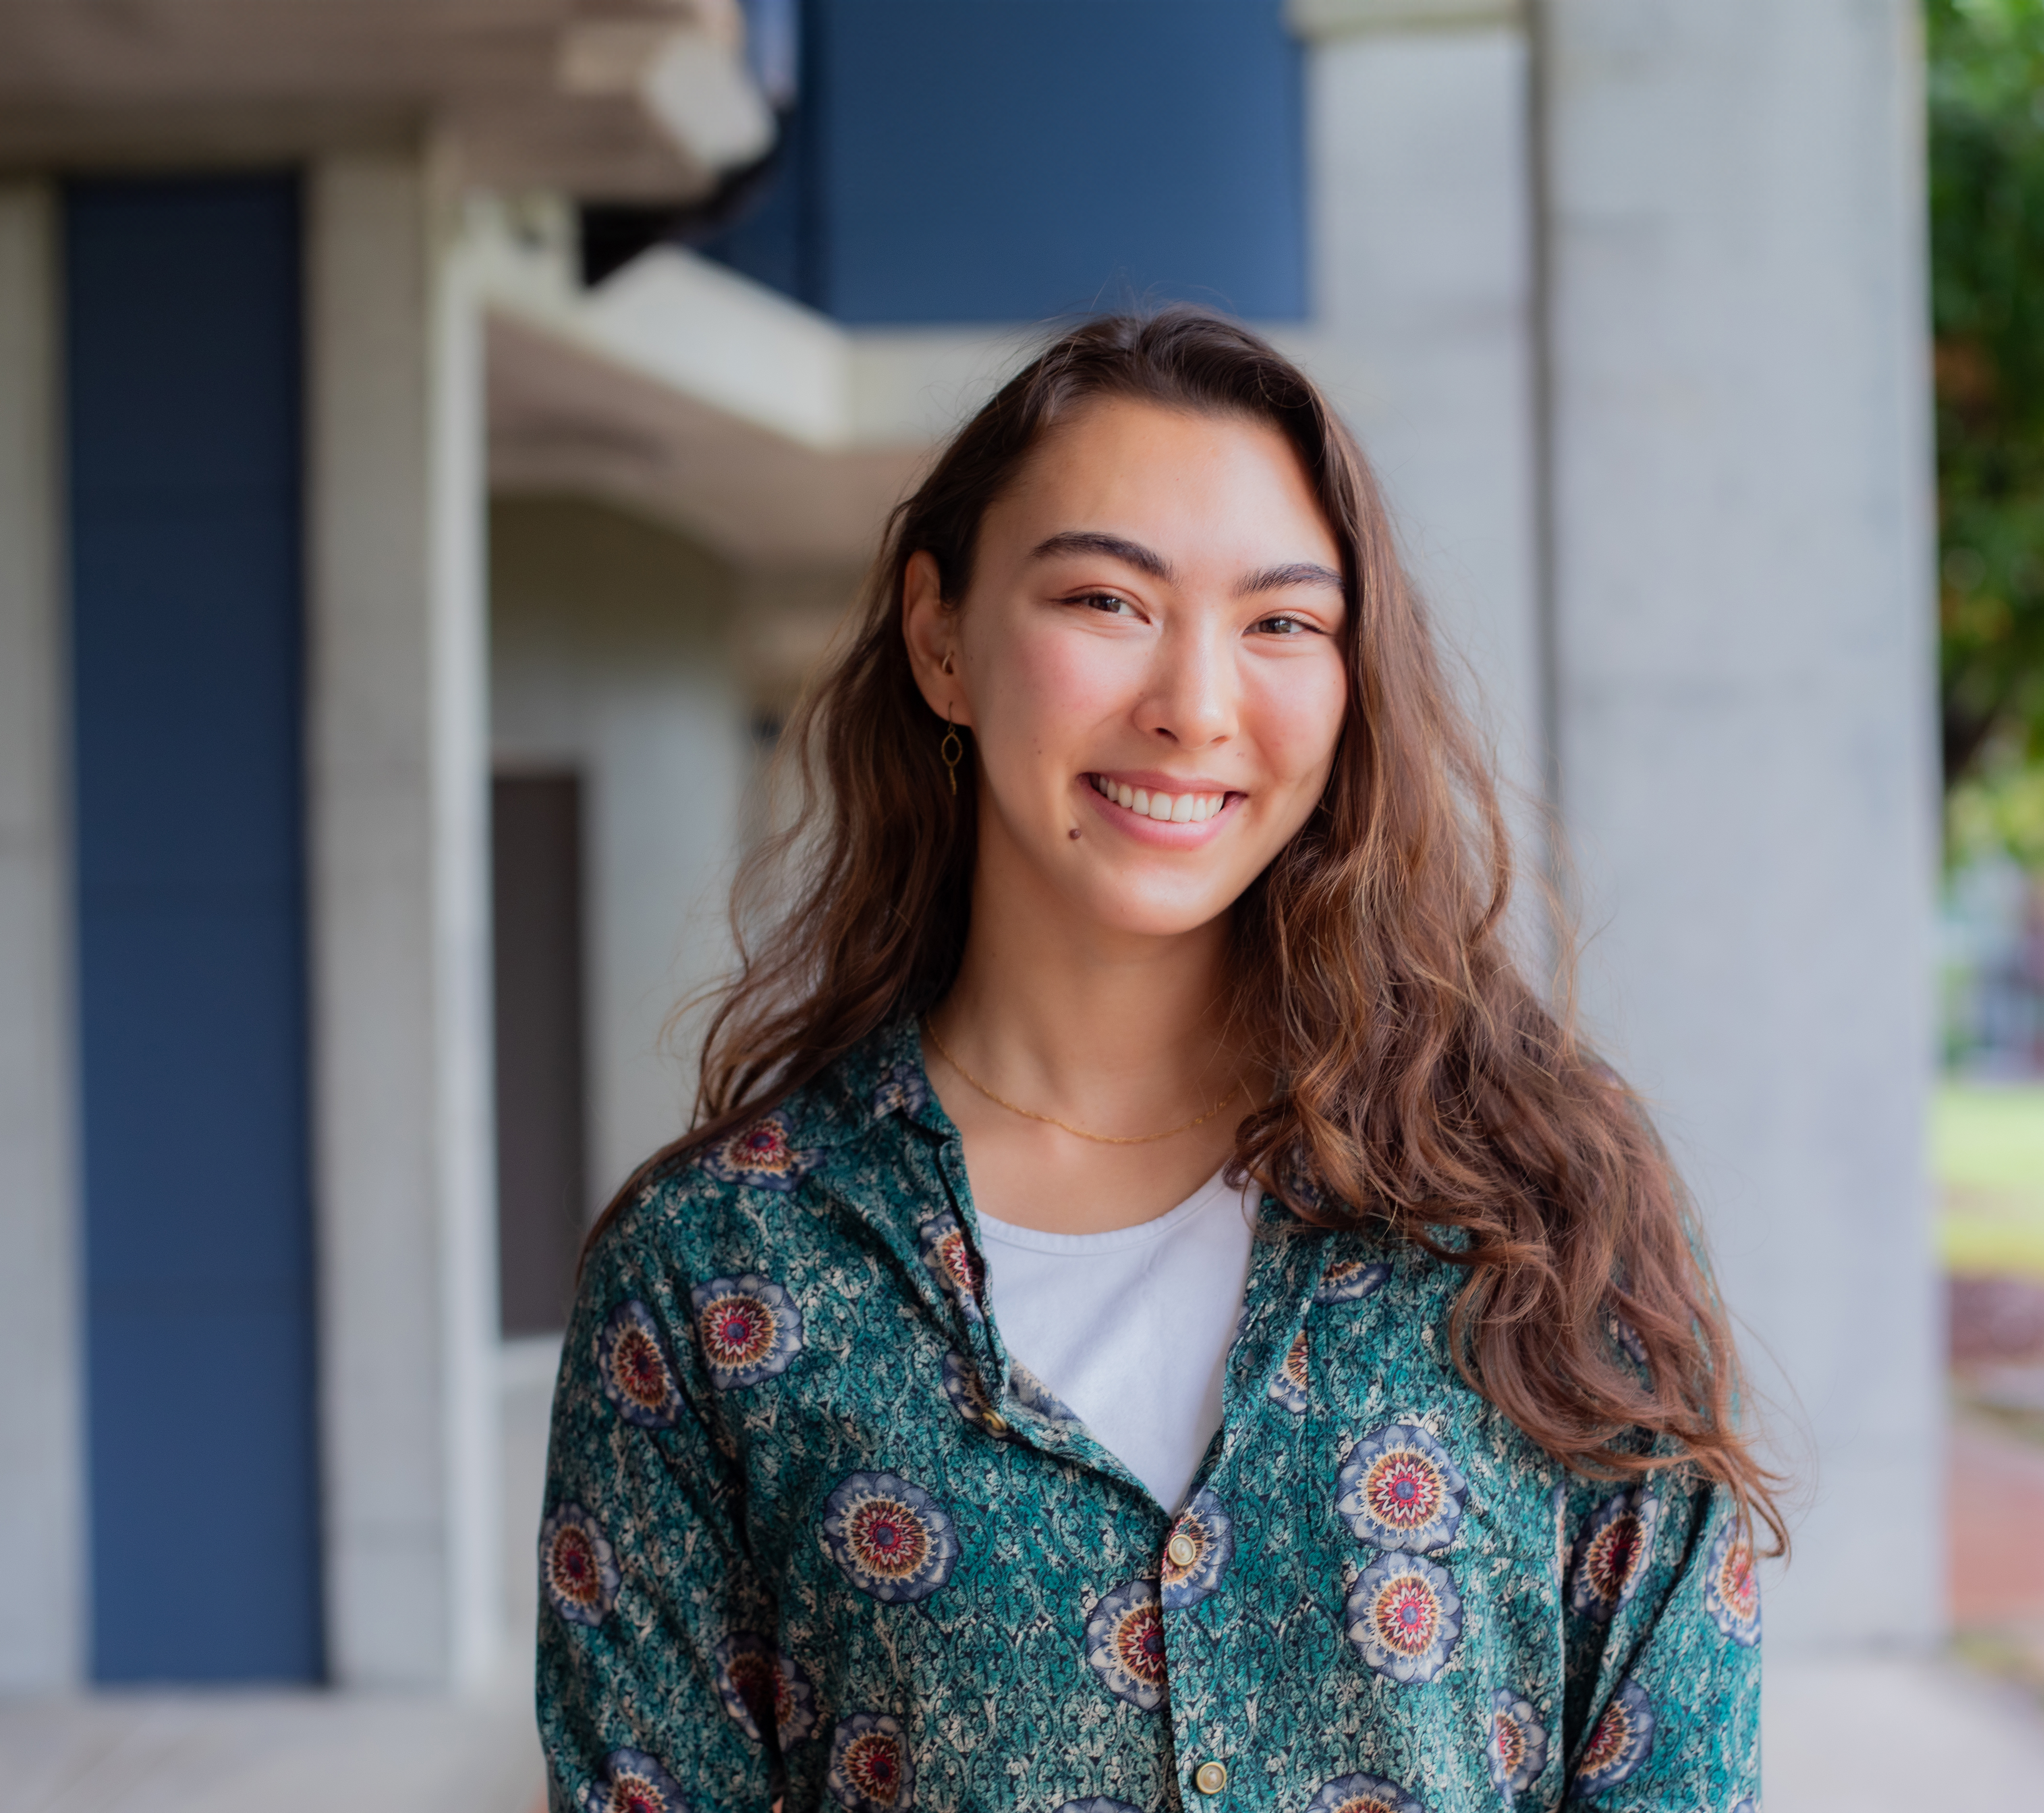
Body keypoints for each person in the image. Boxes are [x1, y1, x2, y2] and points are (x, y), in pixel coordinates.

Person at [536, 311, 1779, 1813]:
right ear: (942, 638)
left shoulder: (1546, 1210)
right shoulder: (719, 1270)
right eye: (1108, 599)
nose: (1194, 703)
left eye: (1282, 623)